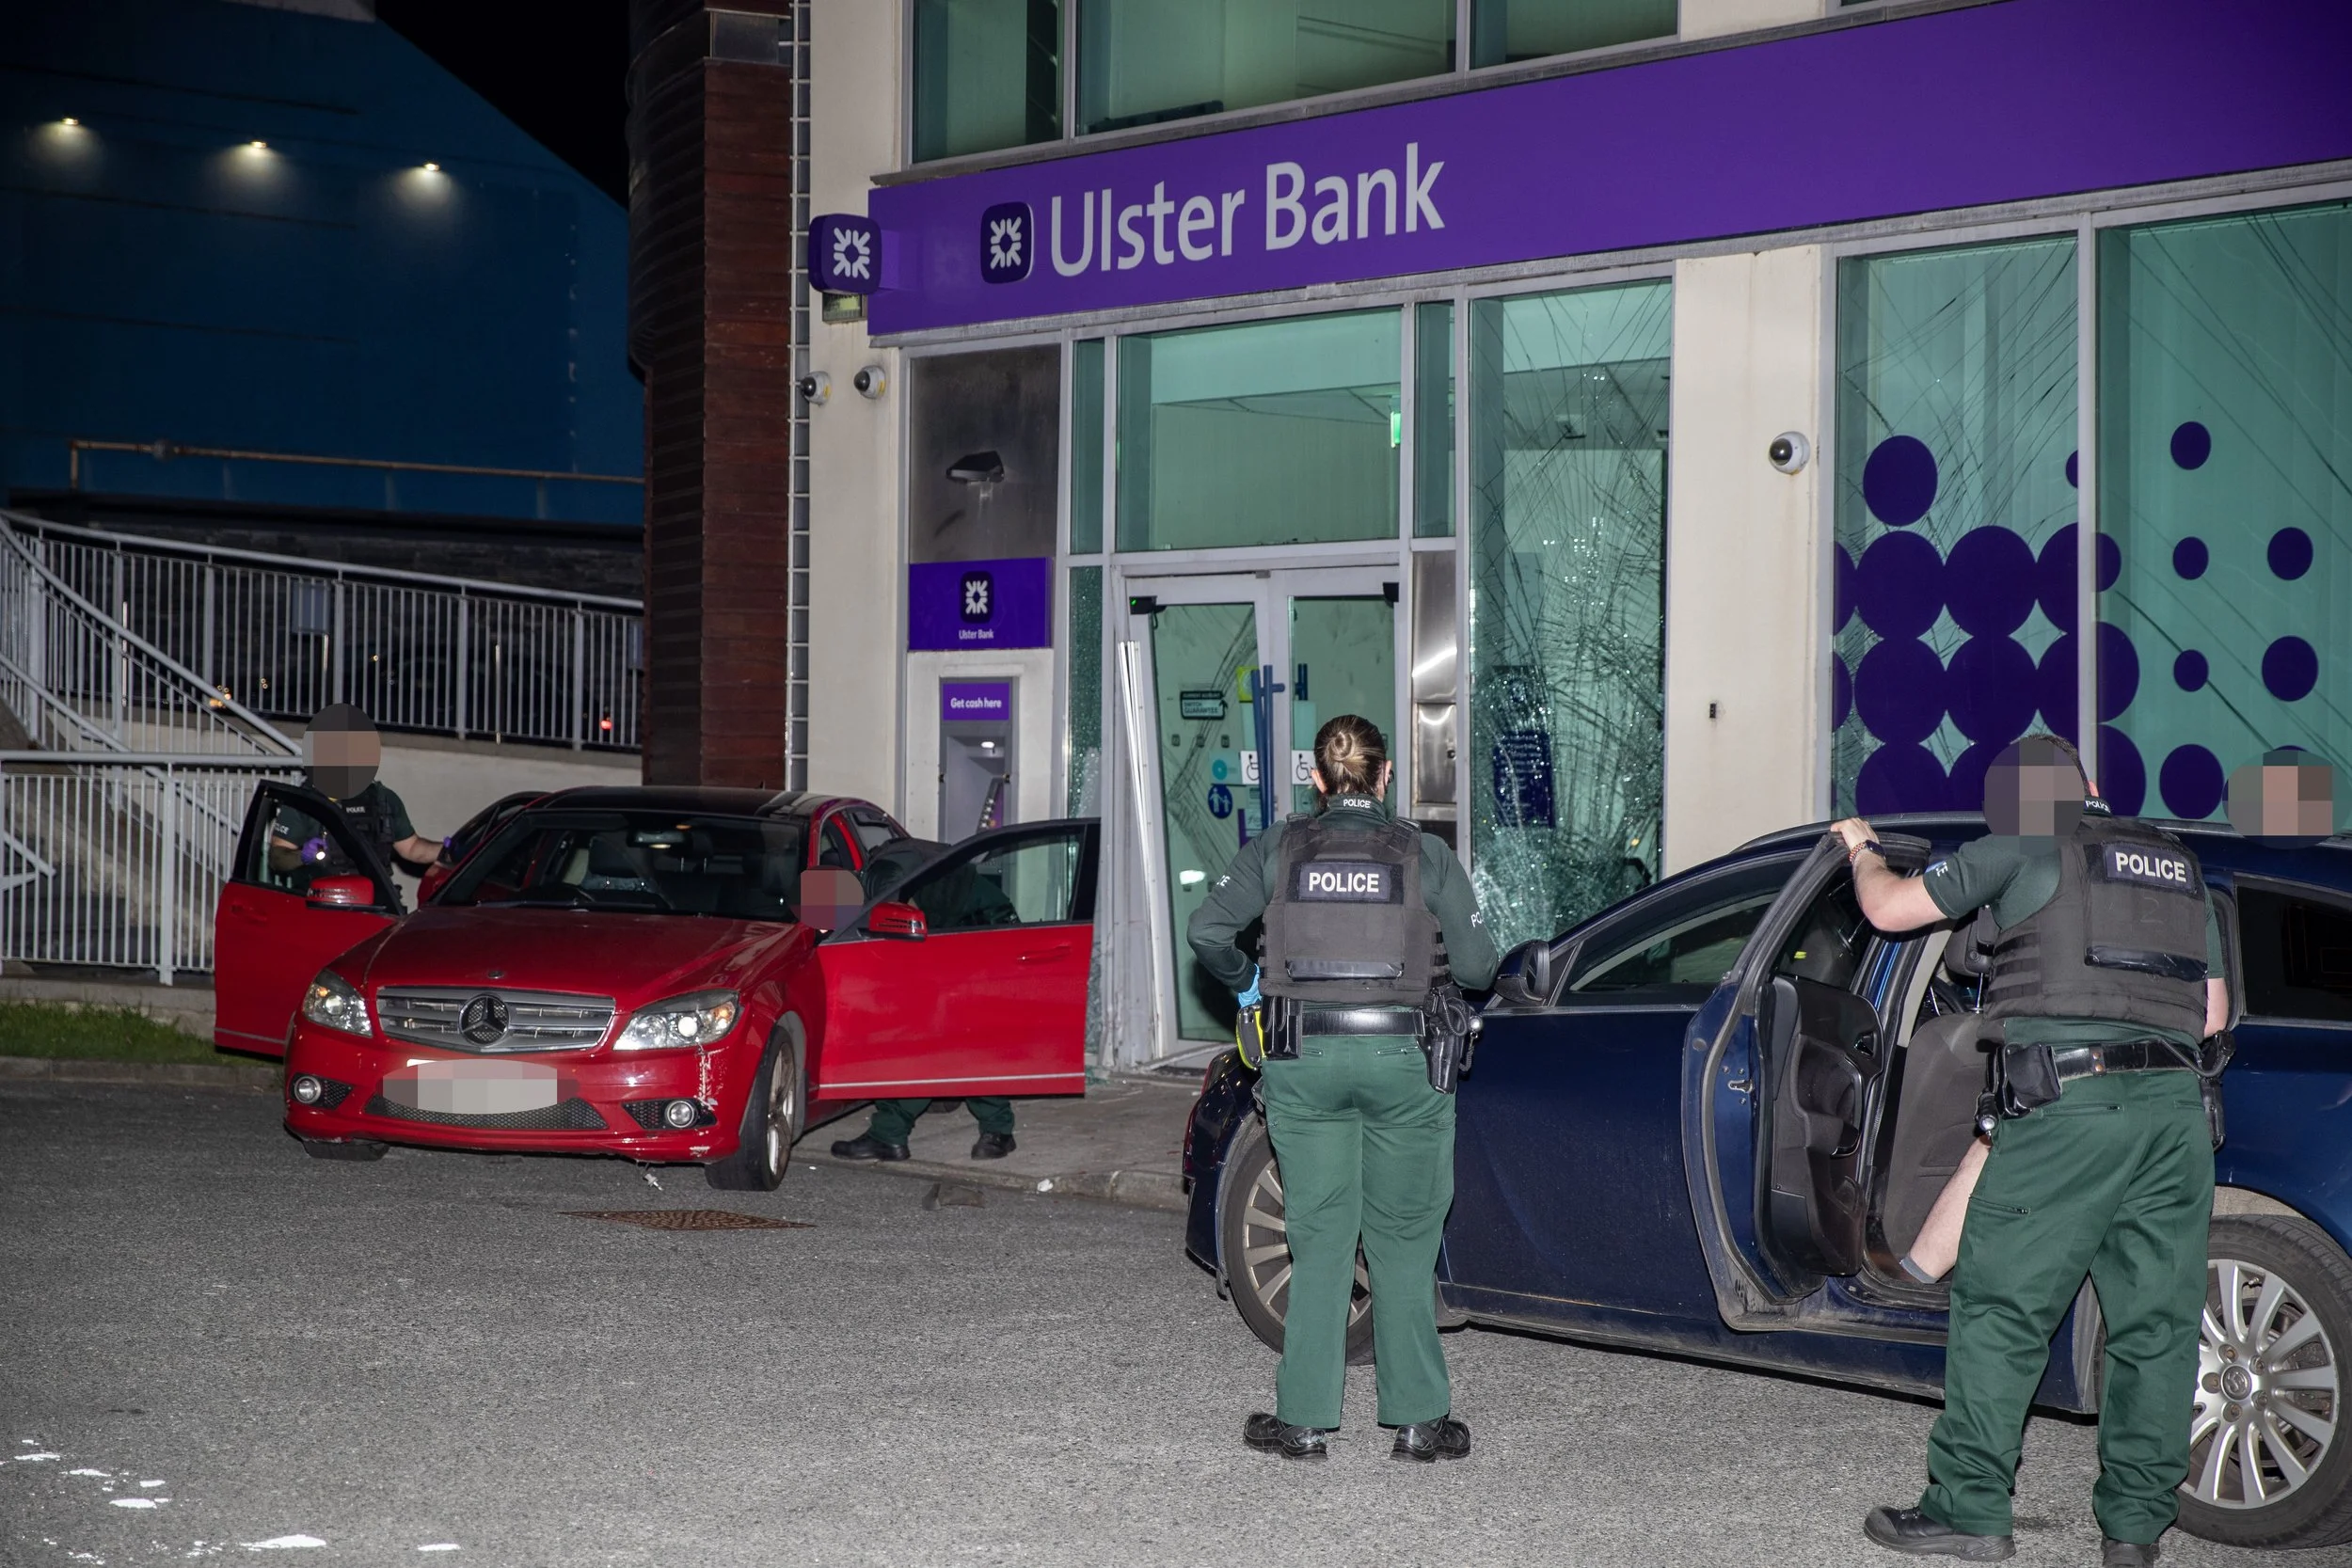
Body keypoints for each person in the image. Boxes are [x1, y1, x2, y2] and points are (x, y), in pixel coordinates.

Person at [1838, 735, 2227, 1567]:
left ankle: (1970, 1508)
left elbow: (1889, 910)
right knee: (2154, 1325)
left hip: (2069, 1105)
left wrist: (1864, 849)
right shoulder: (2183, 867)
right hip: (2174, 1114)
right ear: (2089, 786)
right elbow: (2214, 1014)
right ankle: (2133, 1530)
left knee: (2003, 1305)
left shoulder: (2022, 840)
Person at [1185, 715, 1498, 1464]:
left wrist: (1251, 986)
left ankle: (1303, 1420)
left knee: (1318, 1235)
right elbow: (1483, 968)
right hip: (1404, 1062)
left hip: (1305, 1057)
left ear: (1319, 781)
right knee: (1404, 1237)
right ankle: (1420, 1420)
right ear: (1384, 777)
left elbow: (1207, 931)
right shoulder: (1423, 854)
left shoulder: (1280, 847)